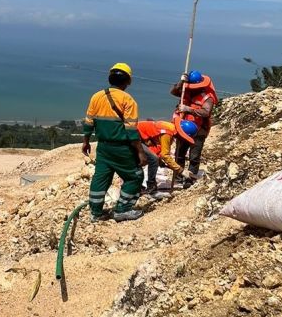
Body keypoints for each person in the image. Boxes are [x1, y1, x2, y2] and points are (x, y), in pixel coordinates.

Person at [82, 62, 148, 222]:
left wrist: (86, 141)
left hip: (103, 147)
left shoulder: (96, 96)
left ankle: (95, 213)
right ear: (128, 81)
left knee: (101, 178)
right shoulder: (128, 100)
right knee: (135, 177)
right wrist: (140, 152)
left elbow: (88, 122)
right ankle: (122, 210)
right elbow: (131, 130)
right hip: (122, 149)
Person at [170, 70, 218, 187]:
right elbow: (174, 91)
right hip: (183, 126)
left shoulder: (208, 97)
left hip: (199, 129)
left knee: (194, 156)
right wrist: (181, 82)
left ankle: (190, 179)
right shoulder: (186, 91)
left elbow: (206, 112)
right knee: (179, 153)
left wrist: (188, 109)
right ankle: (178, 176)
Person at [138, 118, 199, 199]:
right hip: (133, 136)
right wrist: (181, 170)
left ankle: (138, 188)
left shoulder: (170, 128)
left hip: (137, 136)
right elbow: (165, 155)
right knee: (152, 159)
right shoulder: (167, 133)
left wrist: (160, 162)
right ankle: (151, 188)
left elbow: (156, 149)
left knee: (151, 159)